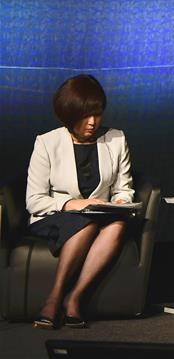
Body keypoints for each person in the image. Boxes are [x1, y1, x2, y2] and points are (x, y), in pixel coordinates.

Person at [26, 74, 135, 329]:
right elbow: (34, 200)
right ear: (68, 115)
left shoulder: (116, 139)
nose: (93, 122)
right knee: (83, 222)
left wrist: (119, 200)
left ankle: (74, 299)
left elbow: (124, 188)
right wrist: (70, 205)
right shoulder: (47, 142)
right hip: (54, 218)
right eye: (85, 116)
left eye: (97, 114)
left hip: (101, 215)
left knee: (117, 224)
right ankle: (54, 298)